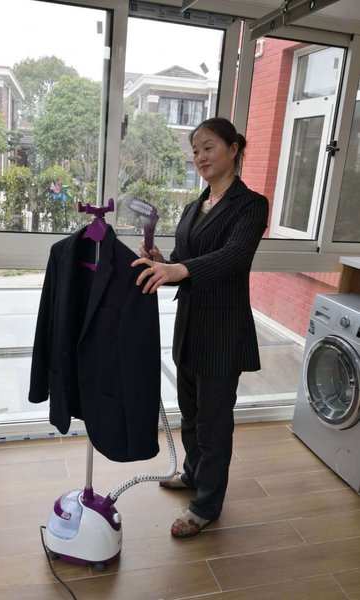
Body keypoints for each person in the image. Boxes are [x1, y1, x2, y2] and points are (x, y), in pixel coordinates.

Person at [131, 117, 269, 539]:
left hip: (223, 330)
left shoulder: (251, 204)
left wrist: (180, 268)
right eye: (195, 151)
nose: (200, 157)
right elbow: (185, 260)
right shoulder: (195, 206)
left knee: (214, 422)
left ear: (233, 148)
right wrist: (163, 259)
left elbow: (234, 256)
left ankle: (207, 504)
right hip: (190, 326)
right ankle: (193, 473)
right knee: (190, 414)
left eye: (208, 147)